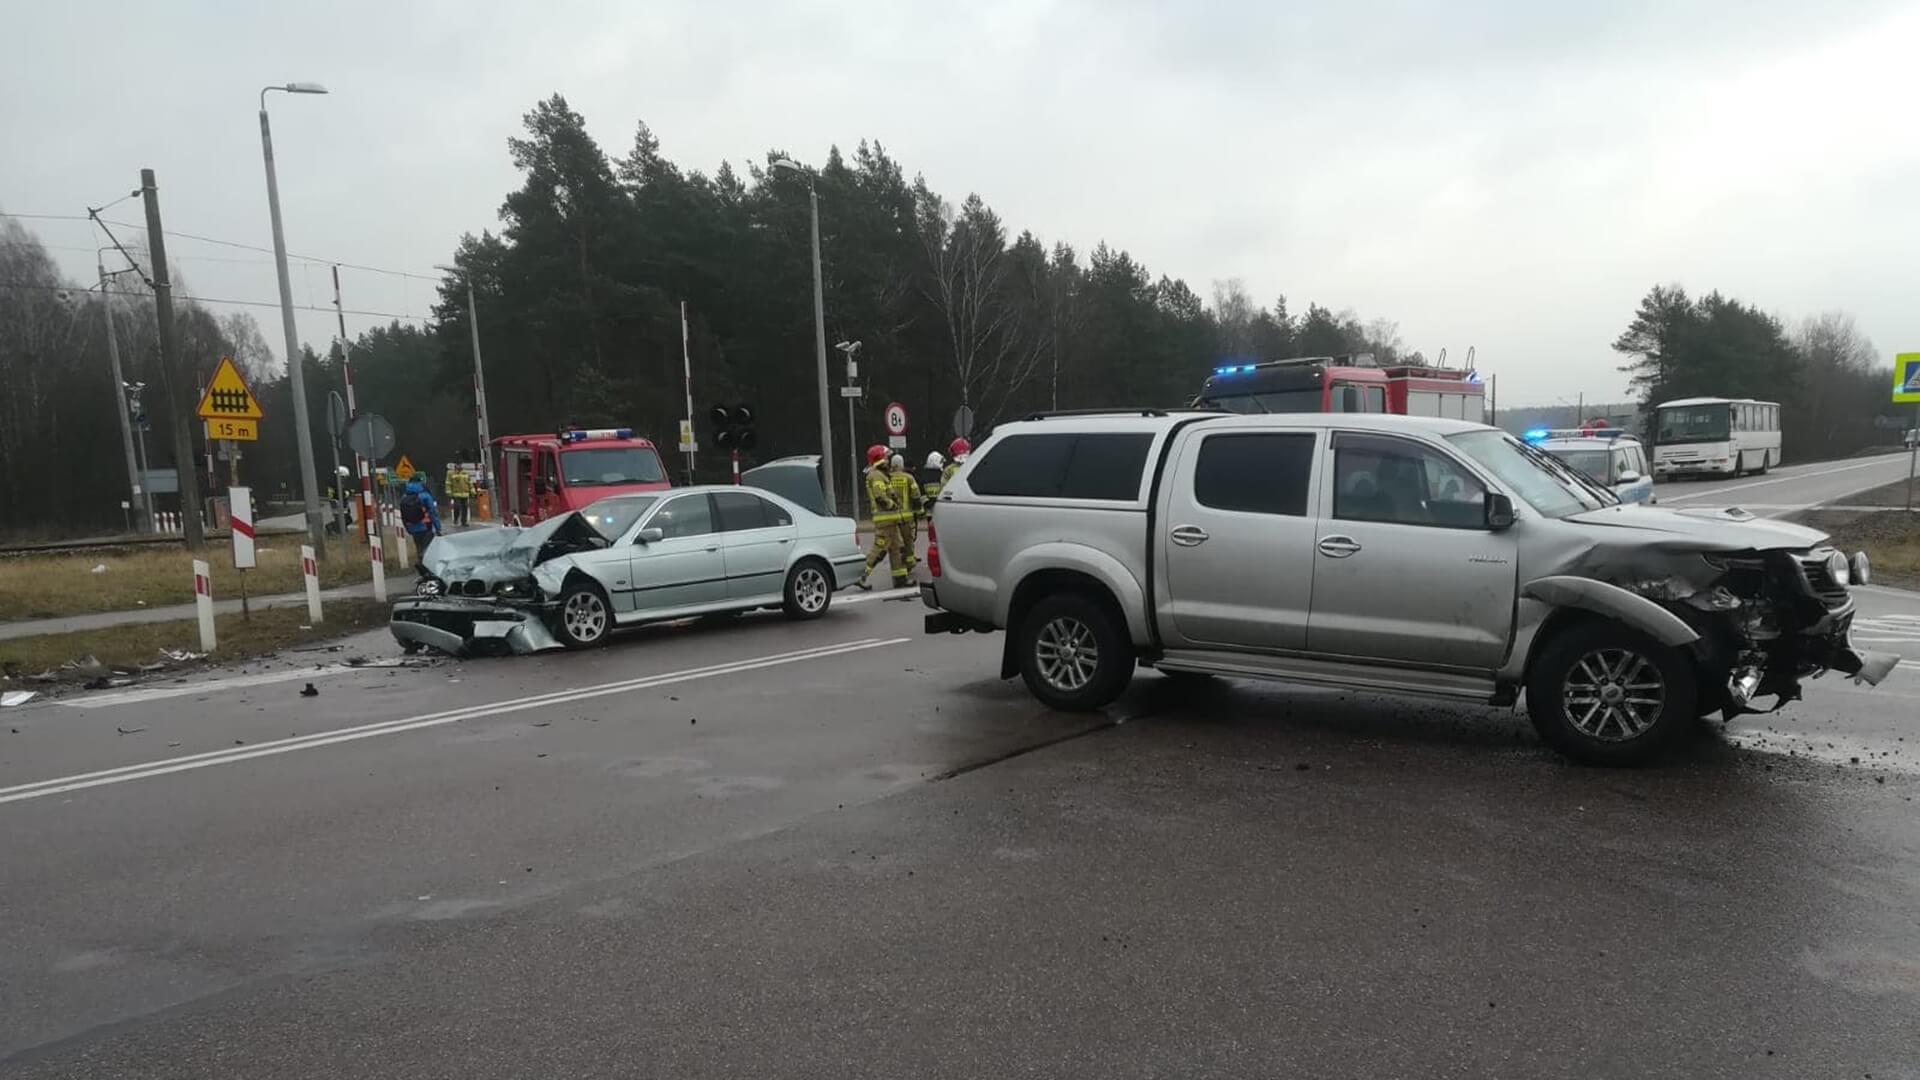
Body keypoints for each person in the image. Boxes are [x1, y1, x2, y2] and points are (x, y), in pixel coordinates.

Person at [856, 445, 909, 590]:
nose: (887, 460)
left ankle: (900, 579)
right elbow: (880, 496)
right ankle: (860, 576)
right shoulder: (876, 476)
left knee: (896, 548)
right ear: (879, 459)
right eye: (885, 457)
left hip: (890, 521)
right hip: (885, 520)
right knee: (879, 550)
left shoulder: (881, 475)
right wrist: (892, 505)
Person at [399, 476, 442, 567]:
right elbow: (432, 512)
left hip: (412, 527)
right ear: (420, 483)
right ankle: (426, 565)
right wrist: (438, 528)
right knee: (427, 547)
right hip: (425, 526)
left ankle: (421, 563)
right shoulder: (425, 495)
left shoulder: (404, 497)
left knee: (419, 546)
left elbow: (403, 515)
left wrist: (408, 528)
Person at [889, 453, 923, 565]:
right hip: (906, 517)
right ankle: (909, 562)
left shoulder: (886, 477)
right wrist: (919, 511)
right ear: (902, 464)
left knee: (895, 543)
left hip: (891, 516)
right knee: (908, 541)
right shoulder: (908, 478)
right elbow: (916, 496)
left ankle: (899, 564)